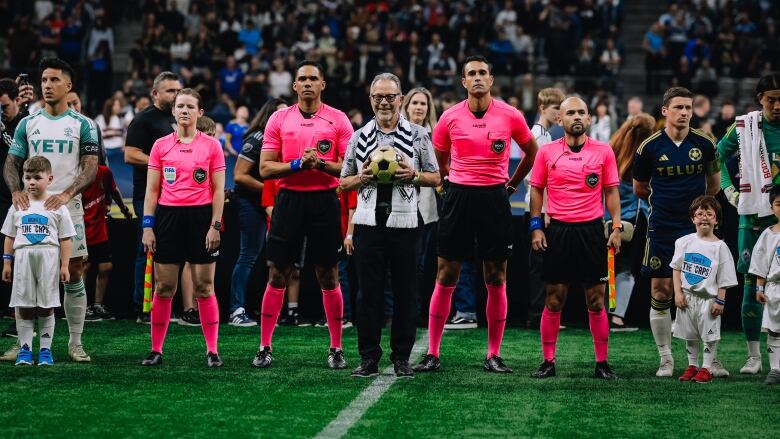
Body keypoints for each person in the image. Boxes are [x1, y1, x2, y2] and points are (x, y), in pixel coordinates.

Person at [414, 55, 538, 374]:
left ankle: (493, 354)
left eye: (483, 72)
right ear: (464, 81)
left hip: (495, 198)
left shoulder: (510, 115)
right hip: (459, 196)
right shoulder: (449, 117)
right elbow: (439, 157)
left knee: (496, 277)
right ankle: (433, 352)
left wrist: (510, 186)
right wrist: (450, 184)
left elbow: (532, 153)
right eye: (472, 73)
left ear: (491, 80)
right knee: (446, 274)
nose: (478, 77)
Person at [253, 60, 353, 370]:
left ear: (323, 84)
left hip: (325, 200)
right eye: (302, 79)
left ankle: (336, 347)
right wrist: (298, 164)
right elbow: (265, 168)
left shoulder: (338, 120)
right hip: (289, 200)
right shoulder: (278, 119)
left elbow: (351, 168)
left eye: (313, 78)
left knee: (329, 275)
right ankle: (264, 346)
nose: (307, 83)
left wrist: (319, 164)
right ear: (294, 86)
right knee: (278, 273)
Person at [340, 73, 440, 378]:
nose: (384, 102)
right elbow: (342, 183)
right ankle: (368, 357)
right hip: (369, 223)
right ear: (370, 100)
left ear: (400, 98)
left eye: (390, 96)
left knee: (406, 291)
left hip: (406, 222)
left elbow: (436, 178)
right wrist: (362, 178)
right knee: (367, 293)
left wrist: (413, 175)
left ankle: (401, 357)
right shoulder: (358, 137)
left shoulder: (419, 135)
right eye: (378, 97)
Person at [4, 58, 99, 363]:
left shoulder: (84, 125)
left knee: (73, 272)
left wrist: (69, 193)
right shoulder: (27, 123)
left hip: (67, 206)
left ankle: (75, 342)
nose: (46, 85)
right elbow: (12, 162)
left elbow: (90, 167)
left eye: (54, 79)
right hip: (31, 208)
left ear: (68, 86)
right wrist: (16, 191)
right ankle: (24, 344)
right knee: (26, 275)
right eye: (44, 79)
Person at [528, 96, 621, 380]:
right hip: (558, 232)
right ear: (561, 120)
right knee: (554, 299)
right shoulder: (546, 153)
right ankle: (548, 361)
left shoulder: (604, 152)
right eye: (571, 113)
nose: (577, 117)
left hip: (591, 232)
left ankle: (602, 363)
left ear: (589, 119)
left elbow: (611, 193)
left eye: (582, 112)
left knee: (596, 301)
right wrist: (536, 226)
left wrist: (616, 227)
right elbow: (536, 190)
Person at [633, 86, 723, 378]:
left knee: (700, 293)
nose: (684, 113)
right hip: (662, 227)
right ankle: (665, 358)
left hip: (694, 230)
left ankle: (706, 361)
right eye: (679, 108)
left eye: (688, 108)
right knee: (660, 292)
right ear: (665, 111)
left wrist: (697, 216)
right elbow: (639, 187)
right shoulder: (649, 147)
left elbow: (714, 186)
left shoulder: (706, 143)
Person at [140, 88, 225, 368]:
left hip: (201, 219)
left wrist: (215, 226)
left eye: (190, 106)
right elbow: (152, 192)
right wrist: (148, 227)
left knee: (204, 287)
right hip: (168, 219)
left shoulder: (212, 146)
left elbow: (218, 191)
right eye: (180, 106)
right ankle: (156, 350)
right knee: (164, 288)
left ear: (200, 113)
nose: (184, 110)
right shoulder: (160, 146)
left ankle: (212, 350)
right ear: (173, 112)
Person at [718, 73, 780, 375]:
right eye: (772, 100)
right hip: (754, 217)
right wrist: (729, 190)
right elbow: (716, 157)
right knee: (750, 284)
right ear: (760, 100)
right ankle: (754, 356)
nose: (778, 105)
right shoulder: (746, 126)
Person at [124, 72, 187, 324]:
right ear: (155, 94)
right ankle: (143, 307)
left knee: (169, 250)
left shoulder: (177, 118)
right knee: (147, 249)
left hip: (174, 196)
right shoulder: (143, 120)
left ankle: (163, 306)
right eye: (170, 91)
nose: (175, 95)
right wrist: (161, 162)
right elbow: (129, 155)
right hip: (147, 195)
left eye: (177, 91)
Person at [2, 156, 75, 366]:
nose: (31, 182)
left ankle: (45, 350)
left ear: (49, 179)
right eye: (27, 177)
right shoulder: (18, 205)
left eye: (37, 177)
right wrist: (7, 262)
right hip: (23, 258)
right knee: (23, 304)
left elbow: (65, 238)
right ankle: (25, 349)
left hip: (49, 258)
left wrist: (64, 266)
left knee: (47, 304)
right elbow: (9, 236)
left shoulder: (57, 205)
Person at [229, 98, 286, 326]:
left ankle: (258, 307)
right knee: (248, 255)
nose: (284, 118)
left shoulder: (280, 139)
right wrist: (269, 192)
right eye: (280, 114)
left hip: (268, 203)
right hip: (250, 202)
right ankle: (236, 310)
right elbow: (239, 175)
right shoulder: (257, 138)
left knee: (267, 258)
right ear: (269, 115)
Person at [671, 195, 737, 383]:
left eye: (709, 214)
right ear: (693, 218)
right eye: (700, 213)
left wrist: (720, 300)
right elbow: (676, 268)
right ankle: (692, 365)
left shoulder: (720, 247)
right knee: (689, 334)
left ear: (717, 220)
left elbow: (724, 278)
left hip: (708, 300)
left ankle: (707, 367)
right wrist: (678, 292)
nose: (704, 217)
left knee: (709, 335)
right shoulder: (683, 242)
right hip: (687, 298)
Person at [606, 113, 655, 331]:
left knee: (610, 268)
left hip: (607, 216)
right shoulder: (643, 156)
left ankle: (605, 314)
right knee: (625, 270)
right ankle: (616, 317)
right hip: (632, 220)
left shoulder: (612, 148)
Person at [525, 87, 564, 329]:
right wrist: (546, 209)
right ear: (542, 109)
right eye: (555, 108)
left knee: (542, 262)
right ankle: (537, 314)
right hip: (539, 205)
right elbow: (536, 179)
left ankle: (539, 313)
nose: (560, 113)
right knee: (539, 263)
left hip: (541, 204)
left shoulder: (545, 135)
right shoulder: (539, 136)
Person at [0, 76, 33, 350]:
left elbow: (17, 154)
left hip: (14, 200)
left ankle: (18, 315)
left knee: (17, 257)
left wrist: (17, 115)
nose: (1, 112)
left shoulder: (23, 124)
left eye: (4, 107)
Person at [401, 87, 440, 322]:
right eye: (414, 103)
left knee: (424, 266)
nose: (418, 107)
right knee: (405, 265)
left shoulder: (436, 136)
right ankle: (402, 312)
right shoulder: (398, 133)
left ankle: (419, 313)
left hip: (428, 210)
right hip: (401, 209)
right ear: (406, 106)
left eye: (423, 104)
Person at [83, 163, 132, 321]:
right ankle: (81, 308)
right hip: (81, 229)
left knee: (106, 267)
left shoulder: (104, 172)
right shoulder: (75, 174)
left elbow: (114, 190)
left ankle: (98, 305)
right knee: (84, 266)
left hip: (100, 228)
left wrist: (124, 209)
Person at [749, 185, 780, 385]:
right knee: (774, 329)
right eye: (779, 204)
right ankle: (776, 369)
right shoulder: (768, 235)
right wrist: (759, 288)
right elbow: (761, 264)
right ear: (772, 207)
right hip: (775, 289)